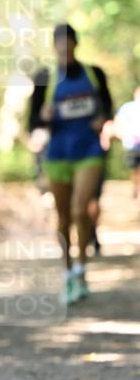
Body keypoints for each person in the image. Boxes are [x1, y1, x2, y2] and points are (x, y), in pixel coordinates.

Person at [28, 24, 112, 304]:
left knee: (80, 210)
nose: (64, 47)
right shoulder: (45, 78)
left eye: (68, 42)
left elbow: (107, 106)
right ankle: (67, 273)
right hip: (58, 155)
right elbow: (33, 121)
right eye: (59, 43)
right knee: (63, 218)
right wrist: (43, 116)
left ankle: (81, 269)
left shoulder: (94, 73)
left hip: (89, 151)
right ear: (54, 46)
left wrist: (103, 119)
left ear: (76, 44)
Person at [110, 86, 140, 204]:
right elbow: (118, 121)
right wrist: (119, 133)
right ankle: (136, 186)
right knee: (135, 169)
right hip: (132, 144)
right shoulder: (128, 108)